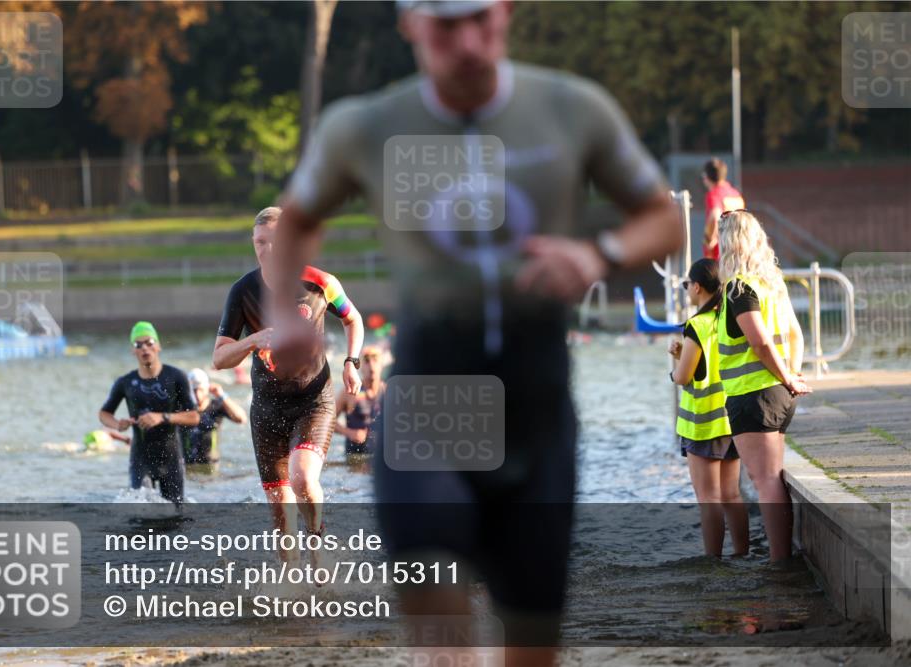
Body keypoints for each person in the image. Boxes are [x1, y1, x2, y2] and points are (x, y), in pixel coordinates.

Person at [264, 0, 683, 662]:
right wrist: (287, 314)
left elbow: (665, 218)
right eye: (445, 25)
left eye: (480, 19)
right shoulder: (367, 126)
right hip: (433, 394)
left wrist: (597, 253)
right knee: (430, 583)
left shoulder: (572, 108)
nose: (466, 41)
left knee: (532, 636)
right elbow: (295, 219)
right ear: (409, 25)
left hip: (536, 398)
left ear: (507, 12)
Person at [212, 206, 364, 563]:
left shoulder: (320, 282)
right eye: (259, 243)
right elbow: (219, 359)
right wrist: (253, 340)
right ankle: (291, 587)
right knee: (280, 510)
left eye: (273, 242)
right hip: (266, 406)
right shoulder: (243, 291)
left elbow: (352, 319)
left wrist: (351, 363)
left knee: (302, 479)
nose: (266, 250)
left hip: (314, 399)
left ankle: (317, 541)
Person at [717, 210, 812, 562]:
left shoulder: (738, 288)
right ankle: (781, 557)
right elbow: (795, 334)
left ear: (729, 243)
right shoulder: (772, 285)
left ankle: (779, 562)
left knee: (765, 481)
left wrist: (786, 378)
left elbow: (759, 342)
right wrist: (791, 376)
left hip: (752, 395)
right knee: (772, 477)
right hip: (778, 395)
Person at [667, 258, 749, 557]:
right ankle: (742, 554)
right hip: (731, 420)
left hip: (702, 424)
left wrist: (674, 368)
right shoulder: (727, 320)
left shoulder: (697, 325)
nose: (687, 289)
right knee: (732, 495)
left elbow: (685, 376)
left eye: (687, 284)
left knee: (709, 499)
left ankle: (713, 563)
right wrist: (684, 355)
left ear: (697, 286)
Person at [99, 322, 199, 506]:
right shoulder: (125, 382)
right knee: (141, 514)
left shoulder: (176, 377)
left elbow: (194, 417)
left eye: (149, 342)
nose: (145, 347)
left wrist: (163, 417)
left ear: (158, 346)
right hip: (141, 459)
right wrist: (117, 424)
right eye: (139, 345)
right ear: (133, 351)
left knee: (176, 517)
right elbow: (104, 413)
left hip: (171, 459)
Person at [181, 368, 247, 467]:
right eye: (194, 390)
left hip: (211, 466)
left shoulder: (216, 406)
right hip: (186, 466)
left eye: (201, 390)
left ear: (207, 389)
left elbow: (241, 419)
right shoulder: (182, 408)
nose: (197, 395)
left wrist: (222, 395)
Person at [335, 345, 387, 456]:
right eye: (367, 361)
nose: (371, 365)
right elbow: (328, 420)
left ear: (381, 365)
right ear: (360, 367)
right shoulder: (349, 392)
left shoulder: (389, 391)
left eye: (375, 361)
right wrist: (349, 433)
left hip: (380, 455)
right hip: (354, 456)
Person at [701, 157, 745, 260]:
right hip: (738, 250)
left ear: (707, 177)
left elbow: (715, 215)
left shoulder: (714, 194)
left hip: (720, 253)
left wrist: (709, 241)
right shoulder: (735, 193)